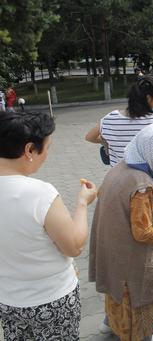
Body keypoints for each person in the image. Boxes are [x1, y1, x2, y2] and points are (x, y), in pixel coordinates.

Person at [0, 111, 97, 340]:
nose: (47, 155)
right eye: (47, 148)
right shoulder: (39, 193)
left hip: (8, 300)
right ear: (29, 150)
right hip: (50, 300)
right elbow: (73, 246)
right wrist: (82, 203)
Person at [89, 124, 153, 341]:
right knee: (138, 316)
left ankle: (113, 326)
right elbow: (143, 234)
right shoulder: (142, 185)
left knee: (118, 306)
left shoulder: (123, 166)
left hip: (112, 252)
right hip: (130, 264)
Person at [85, 75, 153, 167]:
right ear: (149, 98)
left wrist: (106, 141)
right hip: (146, 178)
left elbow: (89, 137)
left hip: (118, 178)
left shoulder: (110, 118)